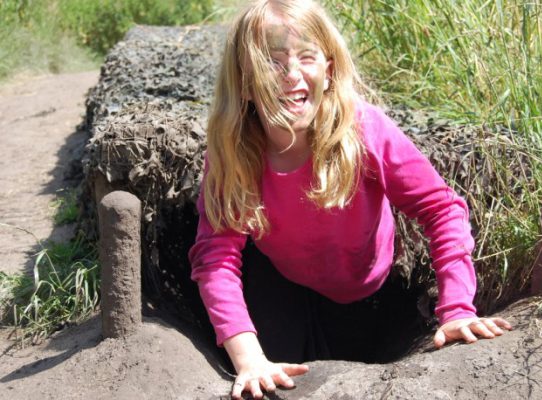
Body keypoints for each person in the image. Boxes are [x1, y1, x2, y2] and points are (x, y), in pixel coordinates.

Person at [188, 1, 512, 398]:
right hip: (280, 281)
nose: (291, 75)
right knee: (275, 382)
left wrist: (457, 308)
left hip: (366, 290)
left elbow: (441, 208)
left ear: (329, 69)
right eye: (272, 61)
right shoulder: (234, 153)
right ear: (243, 81)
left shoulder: (364, 130)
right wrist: (248, 358)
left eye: (306, 56)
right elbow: (216, 256)